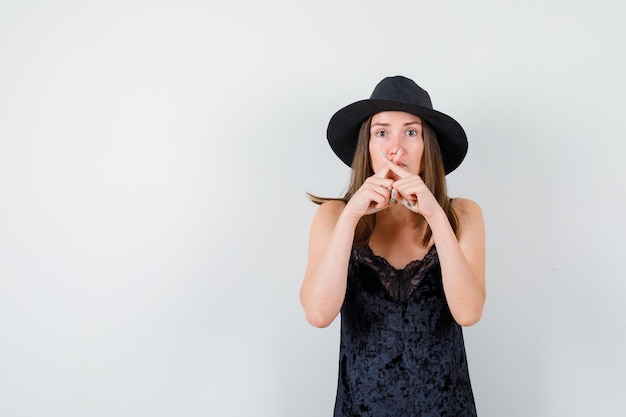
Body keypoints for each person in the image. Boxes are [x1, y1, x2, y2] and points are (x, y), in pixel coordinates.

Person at [300, 76, 486, 416]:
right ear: (367, 146)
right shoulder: (334, 216)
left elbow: (469, 312)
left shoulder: (462, 214)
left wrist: (434, 213)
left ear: (428, 145)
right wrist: (352, 213)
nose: (395, 147)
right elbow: (318, 313)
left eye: (411, 132)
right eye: (381, 132)